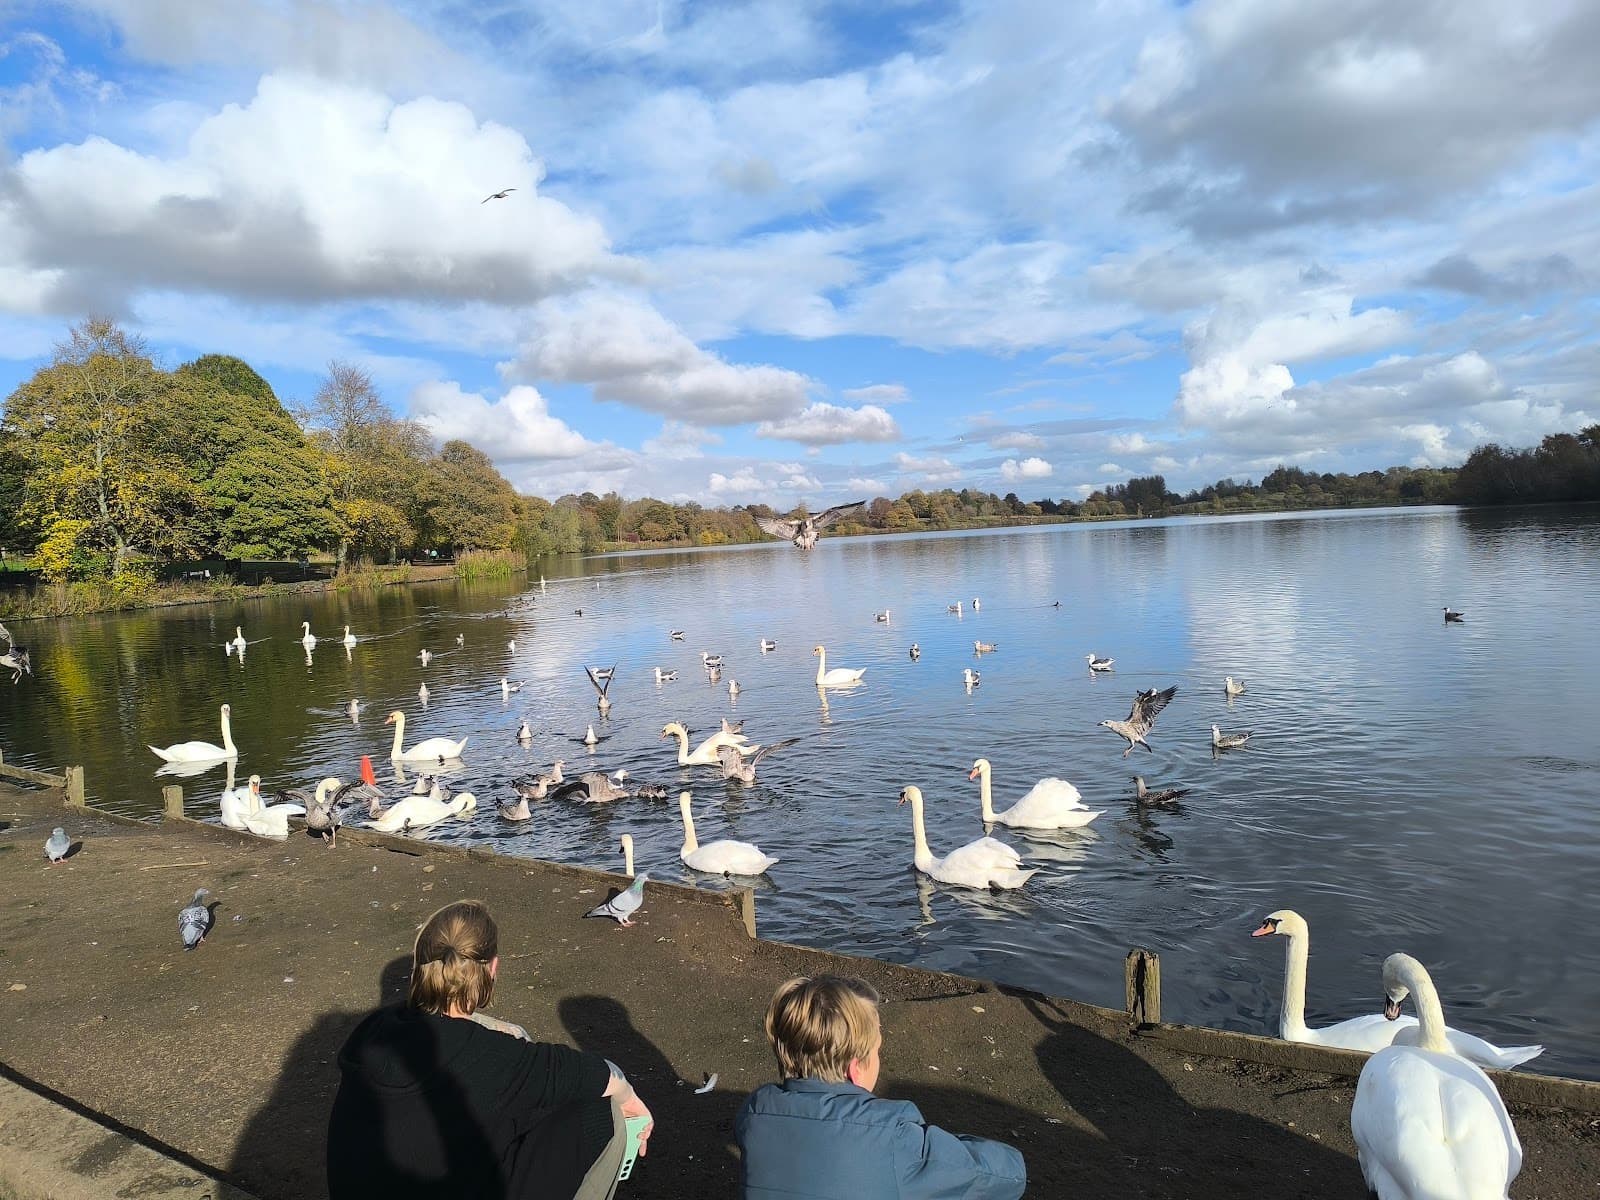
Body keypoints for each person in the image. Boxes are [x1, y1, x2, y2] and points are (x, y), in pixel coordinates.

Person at [328, 900, 652, 1200]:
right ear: (492, 969)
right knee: (603, 1115)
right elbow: (594, 1074)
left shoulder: (372, 1030)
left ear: (420, 966)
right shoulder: (492, 1056)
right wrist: (631, 1101)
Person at [736, 975, 1026, 1200]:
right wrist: (932, 1141)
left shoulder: (755, 1112)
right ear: (855, 1068)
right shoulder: (891, 1133)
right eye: (877, 1050)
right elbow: (1009, 1175)